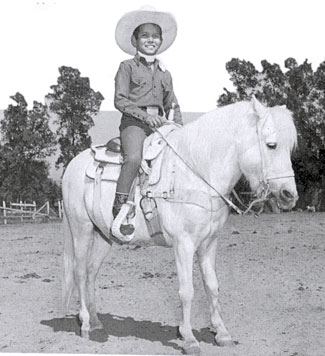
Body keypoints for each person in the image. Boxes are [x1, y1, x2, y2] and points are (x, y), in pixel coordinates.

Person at [112, 6, 182, 239]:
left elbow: (172, 104)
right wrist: (146, 116)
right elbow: (120, 100)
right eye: (145, 35)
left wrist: (178, 128)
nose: (150, 40)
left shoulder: (165, 73)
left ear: (161, 41)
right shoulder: (127, 67)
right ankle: (120, 208)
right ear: (135, 40)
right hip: (134, 123)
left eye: (155, 36)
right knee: (133, 158)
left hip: (160, 125)